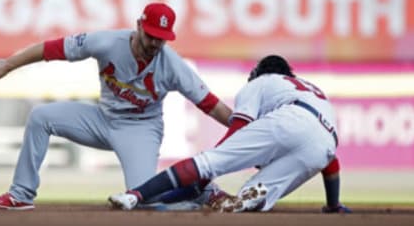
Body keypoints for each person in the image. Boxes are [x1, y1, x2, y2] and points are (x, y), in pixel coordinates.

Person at [0, 2, 232, 210]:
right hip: (102, 120)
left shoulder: (174, 66)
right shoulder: (107, 42)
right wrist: (9, 64)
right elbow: (52, 49)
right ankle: (21, 194)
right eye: (151, 36)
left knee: (141, 201)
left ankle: (199, 192)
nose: (155, 43)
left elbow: (213, 106)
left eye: (162, 39)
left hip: (140, 130)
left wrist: (249, 129)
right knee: (41, 117)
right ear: (139, 26)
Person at [108, 55, 351, 213]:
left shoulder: (261, 82)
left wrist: (210, 167)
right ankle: (213, 195)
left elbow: (238, 129)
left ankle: (134, 196)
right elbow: (330, 161)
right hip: (326, 142)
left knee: (207, 163)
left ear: (260, 72)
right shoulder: (309, 90)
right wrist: (333, 205)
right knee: (245, 203)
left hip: (292, 120)